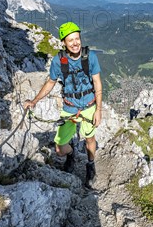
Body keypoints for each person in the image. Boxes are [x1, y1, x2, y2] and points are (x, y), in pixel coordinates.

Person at [23, 22, 102, 188]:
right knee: (59, 149)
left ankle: (90, 165)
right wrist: (34, 101)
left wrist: (98, 110)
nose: (75, 43)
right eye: (70, 40)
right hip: (70, 107)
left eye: (77, 39)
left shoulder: (90, 57)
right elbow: (50, 83)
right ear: (64, 43)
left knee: (90, 138)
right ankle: (71, 154)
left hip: (88, 105)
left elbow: (97, 83)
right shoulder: (59, 61)